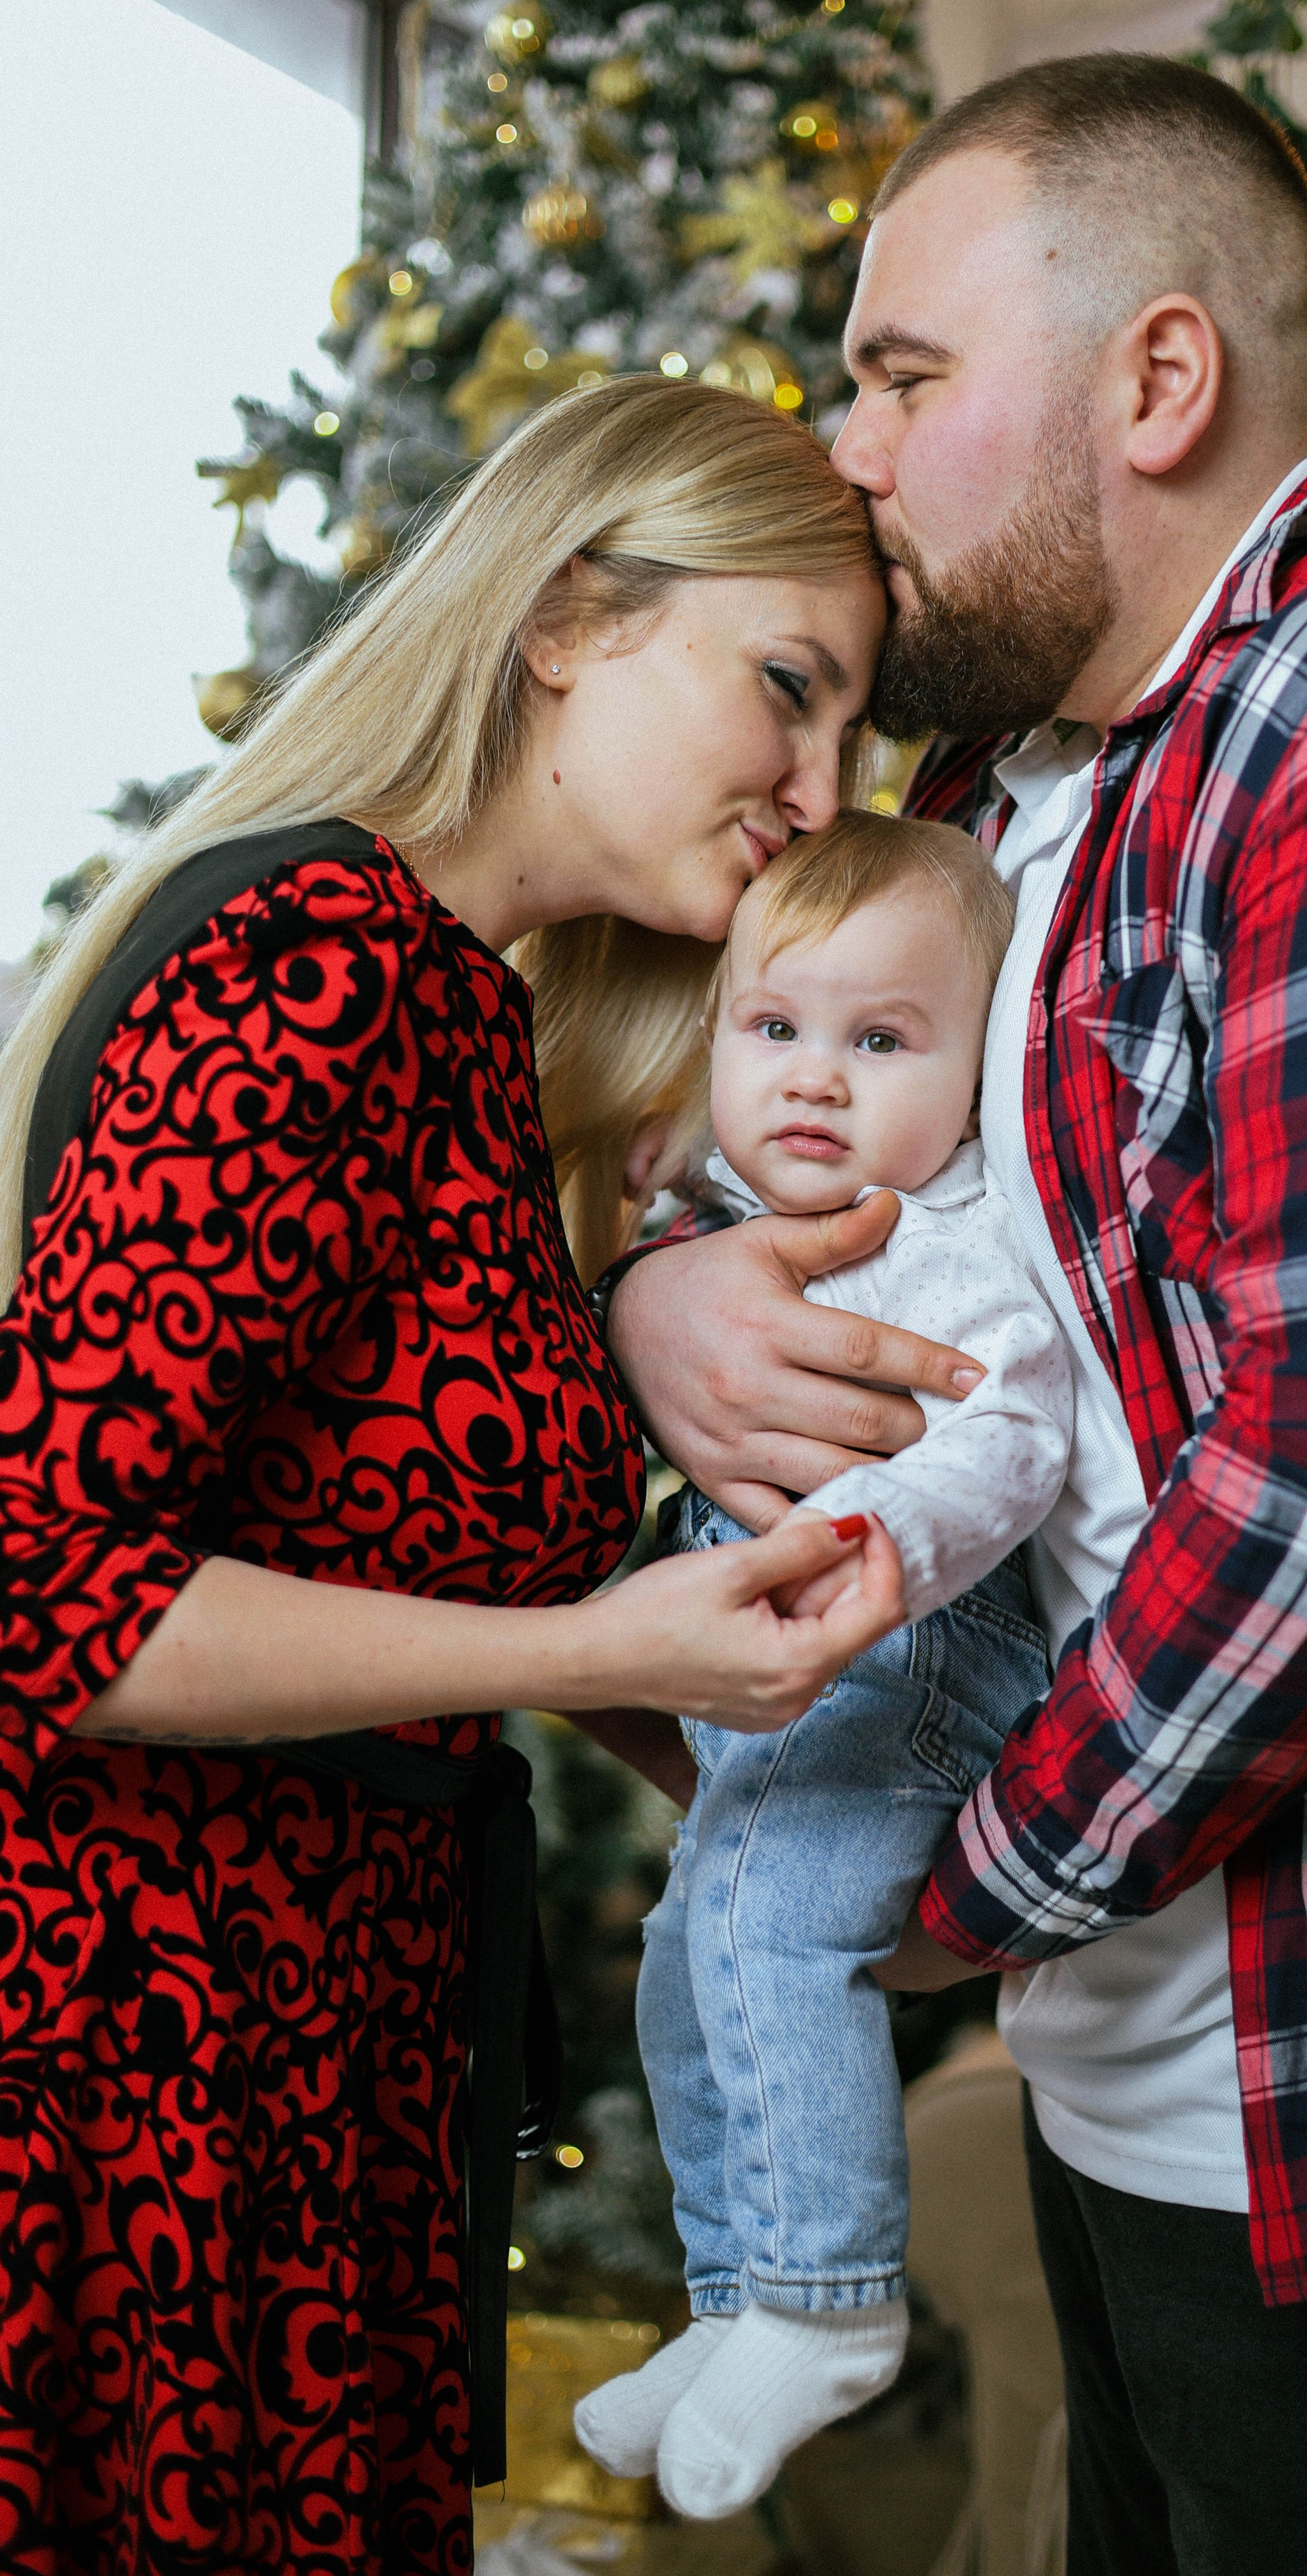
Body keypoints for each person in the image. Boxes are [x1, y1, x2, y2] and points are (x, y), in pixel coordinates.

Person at [606, 57, 1307, 2572]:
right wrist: (662, 1286)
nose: (849, 453)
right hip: (1132, 2096)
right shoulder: (1011, 780)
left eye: (905, 374)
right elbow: (816, 1152)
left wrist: (949, 1890)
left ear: (1157, 380)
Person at [0, 377, 953, 2576]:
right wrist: (598, 1652)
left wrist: (764, 1780)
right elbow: (48, 1583)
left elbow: (369, 1538)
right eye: (785, 687)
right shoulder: (318, 964)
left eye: (854, 733)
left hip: (306, 2070)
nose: (819, 792)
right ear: (567, 620)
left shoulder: (468, 1013)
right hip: (138, 2089)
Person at [576, 810, 1068, 2521]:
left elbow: (1013, 1439)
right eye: (775, 1027)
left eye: (880, 1042)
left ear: (974, 1069)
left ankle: (826, 2300)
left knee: (776, 1937)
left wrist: (878, 1555)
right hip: (814, 1646)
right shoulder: (715, 1221)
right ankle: (733, 2295)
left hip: (915, 1646)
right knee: (690, 1953)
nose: (812, 1078)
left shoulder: (951, 1239)